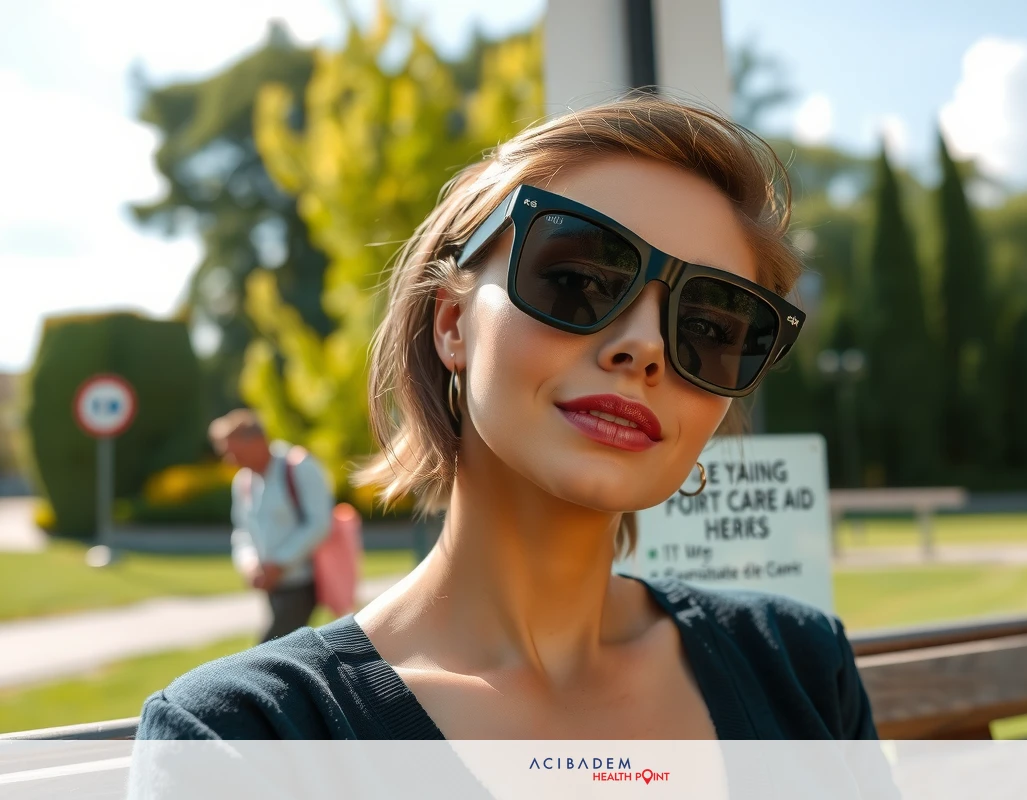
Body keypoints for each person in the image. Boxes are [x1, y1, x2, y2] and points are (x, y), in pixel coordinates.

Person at [137, 96, 878, 740]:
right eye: (579, 281)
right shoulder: (247, 733)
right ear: (452, 324)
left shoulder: (802, 663)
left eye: (711, 327)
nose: (645, 346)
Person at [208, 409, 334, 643]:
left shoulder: (299, 467)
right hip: (272, 585)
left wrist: (279, 564)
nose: (230, 460)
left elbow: (319, 524)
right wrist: (249, 564)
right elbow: (242, 530)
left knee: (267, 650)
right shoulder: (243, 480)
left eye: (235, 452)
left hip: (303, 582)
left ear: (257, 441)